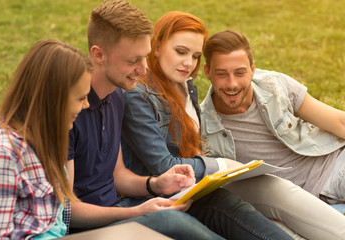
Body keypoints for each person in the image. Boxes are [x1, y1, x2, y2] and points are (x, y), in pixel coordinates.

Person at [121, 13, 345, 240]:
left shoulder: (186, 87)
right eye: (181, 52)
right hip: (172, 193)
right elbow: (165, 165)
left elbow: (343, 121)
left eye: (194, 56)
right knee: (271, 194)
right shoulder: (142, 96)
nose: (188, 63)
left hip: (334, 161)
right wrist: (221, 165)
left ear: (252, 69)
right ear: (158, 47)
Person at [66, 1, 235, 239]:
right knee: (173, 222)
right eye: (133, 60)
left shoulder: (116, 96)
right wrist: (134, 212)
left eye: (145, 57)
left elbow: (117, 176)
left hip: (119, 208)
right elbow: (64, 210)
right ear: (99, 55)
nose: (144, 69)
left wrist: (156, 184)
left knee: (217, 201)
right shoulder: (69, 112)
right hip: (87, 226)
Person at [0, 39, 92, 239]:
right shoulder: (4, 153)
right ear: (56, 99)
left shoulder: (44, 132)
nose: (87, 105)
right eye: (81, 98)